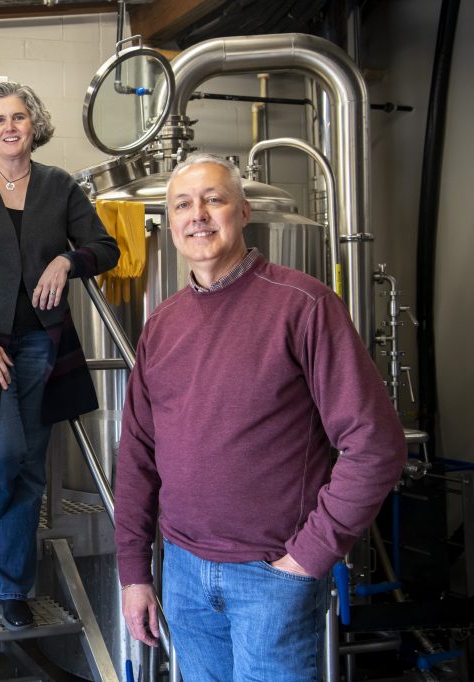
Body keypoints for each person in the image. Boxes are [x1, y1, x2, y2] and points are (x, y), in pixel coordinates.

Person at [114, 153, 407, 680]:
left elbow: (376, 445)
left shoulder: (303, 305)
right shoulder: (162, 325)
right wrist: (134, 573)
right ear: (171, 223)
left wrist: (307, 557)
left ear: (244, 212)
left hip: (272, 576)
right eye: (182, 204)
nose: (197, 214)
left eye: (214, 199)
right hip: (182, 572)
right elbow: (136, 454)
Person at [0, 82, 118, 630]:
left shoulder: (60, 186)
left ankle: (13, 587)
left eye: (18, 117)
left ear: (33, 125)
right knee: (4, 452)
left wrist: (66, 261)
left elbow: (104, 248)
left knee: (32, 467)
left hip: (42, 340)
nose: (9, 127)